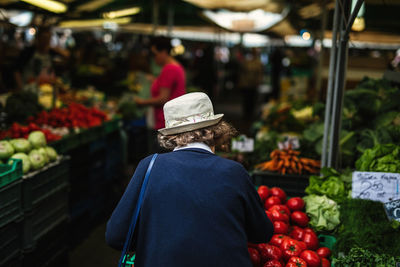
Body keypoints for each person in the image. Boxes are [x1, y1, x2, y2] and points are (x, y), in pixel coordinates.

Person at [105, 92, 273, 267]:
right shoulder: (234, 172)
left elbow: (115, 236)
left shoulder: (149, 166)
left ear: (170, 136)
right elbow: (262, 233)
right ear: (216, 131)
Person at [14, 26, 69, 92]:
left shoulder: (51, 52)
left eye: (48, 39)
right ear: (38, 39)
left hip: (47, 88)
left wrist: (53, 48)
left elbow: (67, 55)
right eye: (44, 38)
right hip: (29, 88)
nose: (46, 41)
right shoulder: (28, 52)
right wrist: (20, 87)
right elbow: (16, 70)